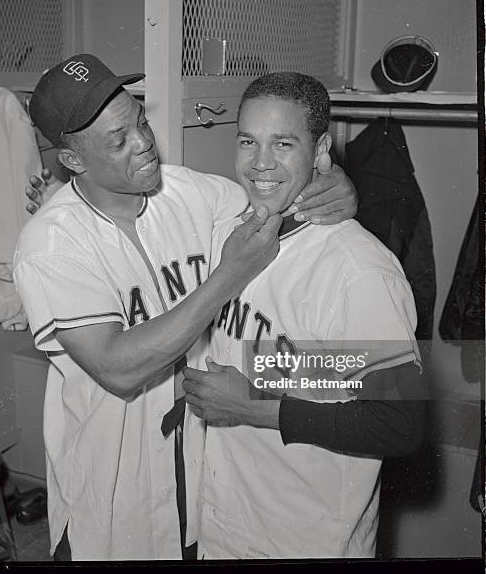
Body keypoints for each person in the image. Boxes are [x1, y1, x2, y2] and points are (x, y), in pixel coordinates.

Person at [13, 54, 357, 561]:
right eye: (119, 140)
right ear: (74, 161)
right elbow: (118, 366)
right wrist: (226, 278)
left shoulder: (190, 192)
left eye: (141, 121)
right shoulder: (52, 243)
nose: (145, 143)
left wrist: (336, 187)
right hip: (112, 488)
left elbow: (276, 190)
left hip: (201, 474)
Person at [182, 71, 426, 559]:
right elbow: (308, 366)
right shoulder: (228, 234)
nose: (260, 163)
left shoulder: (358, 270)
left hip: (309, 542)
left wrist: (254, 405)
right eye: (248, 141)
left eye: (284, 144)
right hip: (226, 527)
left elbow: (400, 421)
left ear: (320, 153)